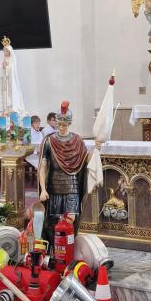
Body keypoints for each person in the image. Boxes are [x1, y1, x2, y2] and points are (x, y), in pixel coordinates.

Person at [38, 101, 92, 249]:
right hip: (54, 185)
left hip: (72, 185)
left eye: (64, 125)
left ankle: (69, 251)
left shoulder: (77, 140)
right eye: (59, 124)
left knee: (71, 219)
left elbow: (86, 160)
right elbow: (42, 167)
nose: (61, 127)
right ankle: (54, 252)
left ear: (69, 124)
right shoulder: (49, 141)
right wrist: (43, 189)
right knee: (54, 221)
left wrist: (97, 149)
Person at [0, 36, 26, 116]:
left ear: (10, 51)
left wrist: (6, 67)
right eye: (4, 51)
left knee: (11, 96)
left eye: (7, 51)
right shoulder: (3, 60)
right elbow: (0, 72)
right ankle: (6, 110)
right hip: (5, 83)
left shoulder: (12, 60)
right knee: (5, 96)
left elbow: (12, 71)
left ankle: (12, 109)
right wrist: (2, 68)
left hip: (11, 83)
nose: (5, 52)